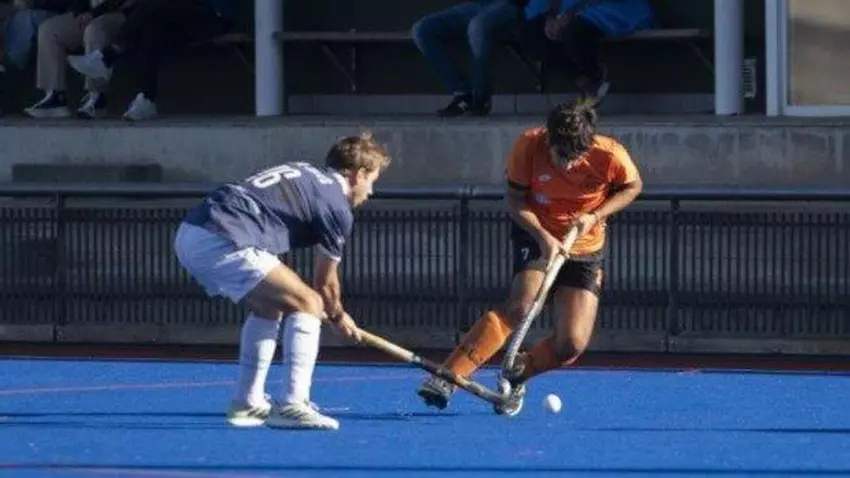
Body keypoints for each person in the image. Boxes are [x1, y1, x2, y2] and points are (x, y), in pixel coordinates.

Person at [417, 98, 642, 415]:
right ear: (549, 140)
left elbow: (632, 187)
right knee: (521, 307)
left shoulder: (611, 154)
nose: (568, 165)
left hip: (585, 247)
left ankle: (518, 373)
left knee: (571, 344)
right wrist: (544, 238)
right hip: (536, 234)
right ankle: (447, 377)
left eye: (576, 157)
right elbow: (515, 201)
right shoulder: (528, 146)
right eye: (561, 156)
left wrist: (595, 216)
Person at [174, 132, 390, 430]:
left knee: (269, 307)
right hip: (222, 236)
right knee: (309, 302)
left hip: (191, 232)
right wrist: (339, 316)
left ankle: (247, 402)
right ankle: (293, 404)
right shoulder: (336, 205)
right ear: (359, 174)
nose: (371, 192)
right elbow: (325, 284)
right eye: (372, 181)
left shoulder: (306, 173)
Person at [411, 0, 524, 118]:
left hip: (511, 5)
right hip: (476, 5)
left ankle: (479, 97)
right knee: (421, 29)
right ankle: (462, 93)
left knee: (477, 26)